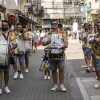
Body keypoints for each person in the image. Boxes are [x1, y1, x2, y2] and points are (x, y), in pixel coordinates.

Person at [42, 19, 67, 92]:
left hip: (60, 54)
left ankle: (62, 85)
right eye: (53, 24)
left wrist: (64, 47)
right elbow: (43, 43)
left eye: (56, 23)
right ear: (51, 25)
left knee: (61, 69)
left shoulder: (62, 32)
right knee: (53, 70)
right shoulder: (48, 33)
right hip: (51, 54)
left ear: (58, 24)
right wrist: (45, 42)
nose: (54, 25)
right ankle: (55, 84)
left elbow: (66, 42)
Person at [0, 20, 17, 94]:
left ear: (8, 26)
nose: (4, 26)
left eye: (5, 25)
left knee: (6, 72)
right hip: (0, 56)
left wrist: (8, 49)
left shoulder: (11, 34)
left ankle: (6, 87)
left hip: (9, 56)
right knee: (0, 72)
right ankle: (0, 88)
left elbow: (15, 45)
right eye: (3, 25)